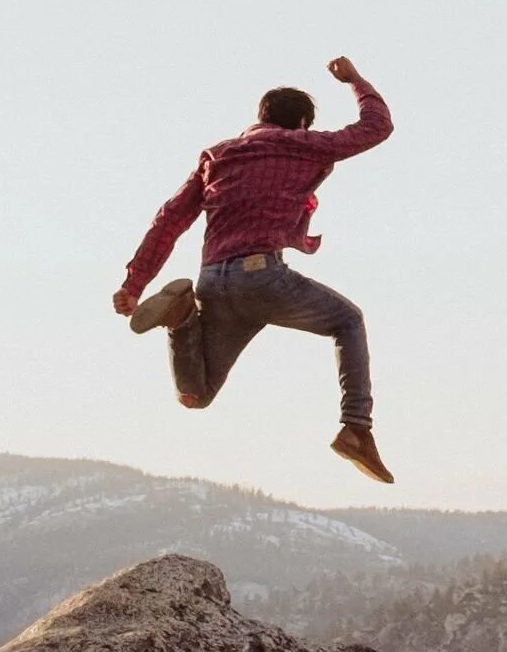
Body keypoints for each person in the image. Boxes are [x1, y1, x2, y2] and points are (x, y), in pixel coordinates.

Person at [114, 56, 396, 484]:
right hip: (262, 275)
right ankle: (357, 427)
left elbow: (169, 219)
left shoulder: (218, 157)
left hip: (213, 280)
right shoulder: (304, 145)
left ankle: (183, 318)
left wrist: (134, 284)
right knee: (348, 321)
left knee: (197, 395)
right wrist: (355, 81)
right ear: (300, 123)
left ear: (259, 117)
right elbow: (376, 127)